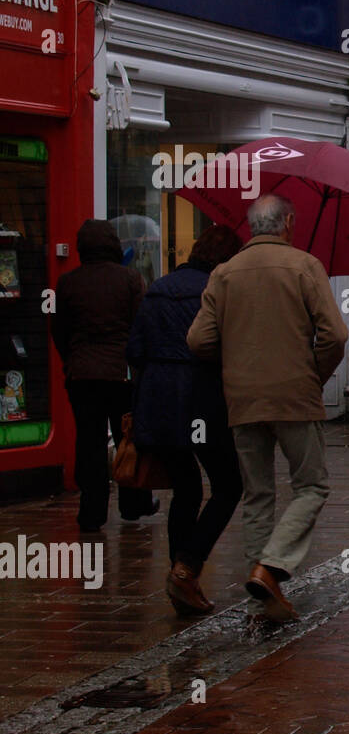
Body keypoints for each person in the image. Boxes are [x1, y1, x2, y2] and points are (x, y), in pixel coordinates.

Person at [187, 195, 348, 623]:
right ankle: (271, 566)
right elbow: (335, 334)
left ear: (250, 227)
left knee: (258, 493)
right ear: (288, 222)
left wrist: (237, 359)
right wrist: (313, 373)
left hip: (243, 397)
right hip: (295, 394)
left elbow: (198, 341)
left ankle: (261, 586)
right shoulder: (304, 266)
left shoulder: (223, 273)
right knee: (311, 485)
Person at [128, 225, 244, 615]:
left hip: (157, 399)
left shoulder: (158, 287)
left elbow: (135, 350)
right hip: (200, 397)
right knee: (228, 485)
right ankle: (187, 566)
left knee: (187, 489)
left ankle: (182, 579)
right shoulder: (217, 290)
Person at [52, 219, 157, 532]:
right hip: (120, 374)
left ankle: (91, 512)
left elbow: (58, 329)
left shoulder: (68, 282)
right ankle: (133, 503)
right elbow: (142, 327)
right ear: (113, 244)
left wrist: (71, 360)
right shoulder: (130, 279)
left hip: (82, 374)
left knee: (89, 441)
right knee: (128, 437)